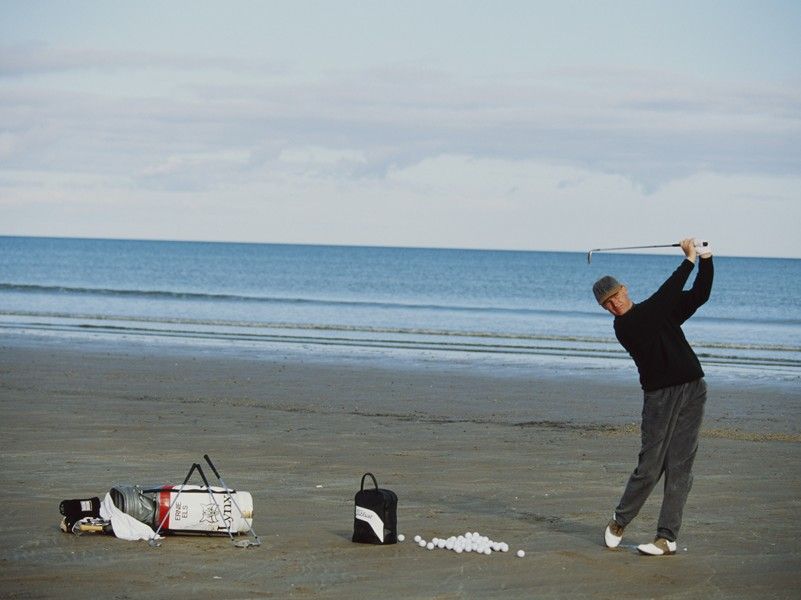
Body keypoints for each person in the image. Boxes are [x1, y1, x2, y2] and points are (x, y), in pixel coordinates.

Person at [592, 238, 713, 556]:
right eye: (607, 304)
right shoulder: (626, 327)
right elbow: (664, 299)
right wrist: (687, 262)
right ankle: (620, 520)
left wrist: (706, 259)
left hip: (692, 389)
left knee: (680, 466)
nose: (614, 305)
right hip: (659, 399)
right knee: (651, 466)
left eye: (615, 296)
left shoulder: (659, 311)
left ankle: (667, 537)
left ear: (624, 290)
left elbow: (699, 295)